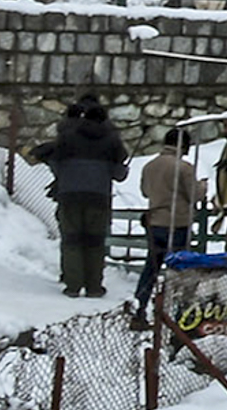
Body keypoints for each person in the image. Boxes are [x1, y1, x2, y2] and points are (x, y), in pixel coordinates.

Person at [42, 94, 126, 299]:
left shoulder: (68, 136)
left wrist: (64, 177)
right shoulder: (112, 140)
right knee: (95, 242)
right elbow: (119, 173)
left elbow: (54, 161)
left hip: (70, 195)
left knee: (72, 240)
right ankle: (94, 286)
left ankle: (73, 285)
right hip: (99, 197)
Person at [133, 126, 201, 308]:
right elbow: (195, 195)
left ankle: (140, 304)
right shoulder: (184, 167)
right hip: (177, 223)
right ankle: (176, 309)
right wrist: (203, 187)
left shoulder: (149, 165)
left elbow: (145, 192)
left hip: (155, 222)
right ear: (184, 146)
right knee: (179, 268)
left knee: (151, 267)